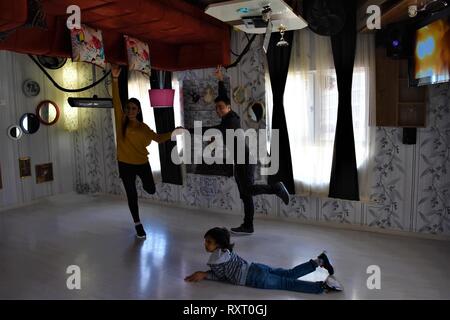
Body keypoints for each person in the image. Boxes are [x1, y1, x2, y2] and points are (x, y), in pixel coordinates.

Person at [195, 66, 290, 234]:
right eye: (216, 108)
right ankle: (248, 226)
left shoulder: (230, 121)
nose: (218, 110)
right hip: (240, 160)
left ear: (229, 107)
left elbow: (212, 130)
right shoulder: (228, 118)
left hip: (244, 159)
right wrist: (220, 79)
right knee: (245, 195)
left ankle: (276, 188)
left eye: (221, 107)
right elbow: (223, 96)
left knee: (247, 190)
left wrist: (189, 130)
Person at [111, 65, 182, 239]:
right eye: (128, 108)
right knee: (131, 195)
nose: (130, 111)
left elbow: (158, 138)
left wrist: (174, 132)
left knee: (150, 189)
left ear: (139, 110)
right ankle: (138, 224)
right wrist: (114, 79)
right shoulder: (121, 123)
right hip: (125, 164)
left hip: (142, 163)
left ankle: (145, 183)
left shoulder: (144, 128)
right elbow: (116, 101)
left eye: (133, 108)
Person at [184, 227, 343, 294]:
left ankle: (322, 287)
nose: (205, 244)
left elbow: (220, 276)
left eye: (208, 242)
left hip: (253, 278)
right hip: (255, 267)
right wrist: (204, 273)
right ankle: (319, 261)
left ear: (218, 244)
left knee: (287, 283)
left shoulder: (215, 259)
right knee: (289, 274)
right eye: (205, 241)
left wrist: (204, 274)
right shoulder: (226, 251)